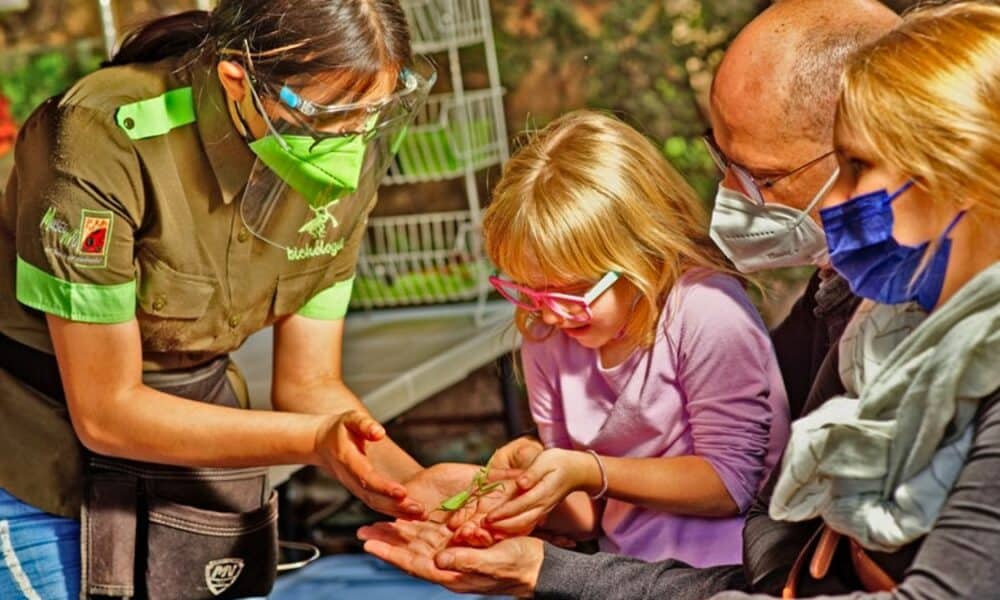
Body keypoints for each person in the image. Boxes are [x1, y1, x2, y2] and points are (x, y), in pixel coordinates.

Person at [360, 2, 1000, 598]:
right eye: (722, 160)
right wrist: (532, 521)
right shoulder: (865, 319)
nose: (839, 206)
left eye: (859, 168)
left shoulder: (722, 314)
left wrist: (562, 559)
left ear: (964, 179)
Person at [0, 2, 477, 598]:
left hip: (195, 442)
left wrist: (418, 490)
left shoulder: (345, 144)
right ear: (237, 81)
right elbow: (105, 411)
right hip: (38, 452)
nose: (350, 148)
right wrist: (311, 442)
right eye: (331, 118)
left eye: (372, 115)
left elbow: (310, 385)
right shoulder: (101, 136)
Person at [395, 109, 791, 567]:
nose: (550, 311)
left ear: (644, 251)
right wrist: (520, 491)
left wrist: (588, 470)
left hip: (739, 570)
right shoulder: (545, 332)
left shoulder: (706, 311)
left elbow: (730, 484)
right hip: (622, 572)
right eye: (530, 289)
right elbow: (590, 515)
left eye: (574, 289)